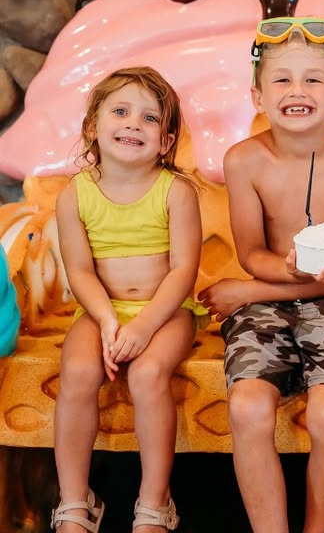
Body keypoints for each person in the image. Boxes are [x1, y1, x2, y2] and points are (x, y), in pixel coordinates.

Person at [198, 17, 324, 533]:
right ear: (257, 96)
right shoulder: (243, 161)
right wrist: (278, 271)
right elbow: (252, 251)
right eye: (281, 80)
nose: (297, 91)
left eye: (313, 80)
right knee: (247, 407)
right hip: (268, 298)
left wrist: (244, 292)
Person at [53, 67, 207, 532]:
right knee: (78, 370)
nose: (132, 124)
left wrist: (142, 328)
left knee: (149, 372)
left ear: (166, 140)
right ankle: (75, 501)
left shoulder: (176, 192)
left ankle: (154, 502)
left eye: (149, 118)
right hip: (102, 309)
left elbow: (184, 271)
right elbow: (80, 270)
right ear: (92, 128)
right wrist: (106, 321)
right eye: (120, 112)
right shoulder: (74, 195)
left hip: (167, 311)